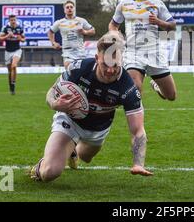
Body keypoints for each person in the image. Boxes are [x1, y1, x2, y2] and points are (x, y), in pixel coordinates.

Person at [29, 32, 153, 182]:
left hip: (98, 129)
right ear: (96, 58)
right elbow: (51, 92)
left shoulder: (128, 88)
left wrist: (138, 163)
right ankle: (39, 167)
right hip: (70, 121)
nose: (110, 70)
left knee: (86, 157)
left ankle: (71, 151)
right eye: (105, 64)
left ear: (122, 60)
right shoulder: (79, 69)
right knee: (49, 173)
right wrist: (55, 103)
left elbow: (138, 130)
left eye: (115, 65)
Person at [108, 0, 177, 101]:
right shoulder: (124, 5)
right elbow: (113, 25)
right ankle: (138, 120)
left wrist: (158, 22)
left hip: (155, 52)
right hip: (133, 53)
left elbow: (172, 25)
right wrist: (115, 35)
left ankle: (156, 85)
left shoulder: (157, 3)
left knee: (171, 96)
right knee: (135, 88)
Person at [48, 0, 95, 68]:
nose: (69, 8)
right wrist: (53, 43)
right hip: (68, 52)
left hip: (80, 52)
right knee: (70, 70)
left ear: (74, 9)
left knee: (80, 74)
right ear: (64, 10)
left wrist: (85, 32)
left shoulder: (81, 20)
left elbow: (93, 30)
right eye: (67, 7)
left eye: (71, 7)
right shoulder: (60, 22)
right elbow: (50, 32)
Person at [0, 15, 26, 95]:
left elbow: (24, 39)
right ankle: (12, 87)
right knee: (10, 71)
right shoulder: (5, 28)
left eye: (14, 20)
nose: (13, 21)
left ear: (16, 20)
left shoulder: (20, 28)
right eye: (11, 20)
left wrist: (20, 39)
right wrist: (7, 36)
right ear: (9, 21)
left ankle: (13, 83)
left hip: (17, 50)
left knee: (14, 66)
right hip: (8, 51)